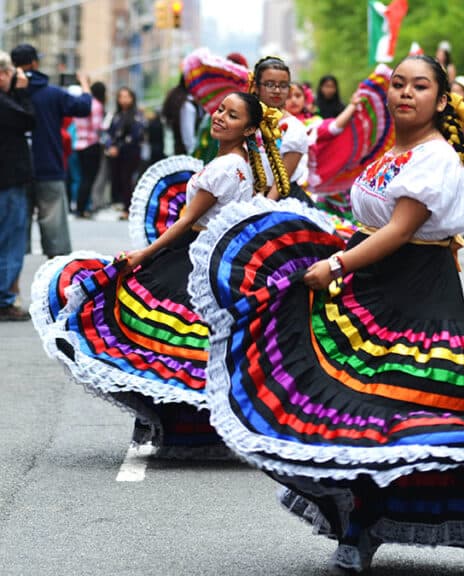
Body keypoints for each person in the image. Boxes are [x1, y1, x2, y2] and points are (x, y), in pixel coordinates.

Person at [188, 55, 464, 575]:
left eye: (419, 86)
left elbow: (400, 230)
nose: (405, 93)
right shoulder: (394, 152)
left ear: (440, 100)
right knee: (358, 416)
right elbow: (370, 225)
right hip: (370, 291)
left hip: (422, 298)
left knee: (442, 413)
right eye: (398, 84)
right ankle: (358, 531)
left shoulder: (437, 158)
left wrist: (336, 262)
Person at [31, 91, 266, 456]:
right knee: (194, 348)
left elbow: (187, 221)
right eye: (220, 110)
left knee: (162, 342)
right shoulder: (241, 164)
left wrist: (145, 253)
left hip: (193, 258)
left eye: (232, 116)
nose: (220, 117)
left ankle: (188, 429)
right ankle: (197, 431)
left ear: (249, 128)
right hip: (213, 260)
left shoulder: (224, 168)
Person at [12, 43, 91, 258]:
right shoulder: (53, 94)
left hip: (15, 172)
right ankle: (55, 282)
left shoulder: (9, 94)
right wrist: (85, 84)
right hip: (49, 167)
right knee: (56, 236)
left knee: (15, 234)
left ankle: (12, 287)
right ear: (35, 63)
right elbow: (84, 107)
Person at [0, 50, 35, 321]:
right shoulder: (5, 102)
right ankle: (4, 299)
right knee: (10, 240)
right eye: (12, 74)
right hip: (9, 180)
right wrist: (22, 92)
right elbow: (27, 120)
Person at [249, 56, 309, 200]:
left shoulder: (294, 128)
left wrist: (263, 208)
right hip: (246, 196)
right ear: (256, 87)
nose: (277, 90)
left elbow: (281, 182)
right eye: (269, 84)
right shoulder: (245, 122)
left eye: (283, 85)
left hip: (280, 200)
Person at [107, 87, 145, 219]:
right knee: (119, 180)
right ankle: (123, 204)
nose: (123, 100)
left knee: (127, 180)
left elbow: (135, 136)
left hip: (130, 153)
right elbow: (110, 134)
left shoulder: (136, 116)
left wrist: (119, 147)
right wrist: (111, 146)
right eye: (121, 97)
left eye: (126, 96)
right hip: (117, 155)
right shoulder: (116, 116)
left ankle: (129, 208)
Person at [72, 82, 105, 218]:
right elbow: (97, 126)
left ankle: (80, 206)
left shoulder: (80, 103)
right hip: (91, 144)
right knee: (89, 178)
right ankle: (83, 208)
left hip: (79, 143)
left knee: (82, 177)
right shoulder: (96, 105)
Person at [162, 75, 201, 155]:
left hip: (178, 151)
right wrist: (194, 154)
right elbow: (188, 138)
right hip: (186, 155)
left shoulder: (180, 100)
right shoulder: (187, 105)